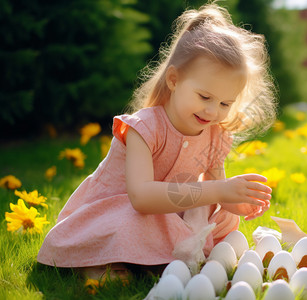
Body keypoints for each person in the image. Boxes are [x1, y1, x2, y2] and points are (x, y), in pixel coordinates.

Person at [37, 3, 277, 279]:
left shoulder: (216, 133)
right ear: (174, 80)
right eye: (204, 97)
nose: (213, 111)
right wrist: (219, 190)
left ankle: (156, 259)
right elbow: (141, 199)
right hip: (122, 209)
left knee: (223, 218)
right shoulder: (144, 127)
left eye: (225, 103)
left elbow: (215, 186)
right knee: (133, 222)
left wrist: (235, 200)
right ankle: (100, 263)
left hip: (168, 212)